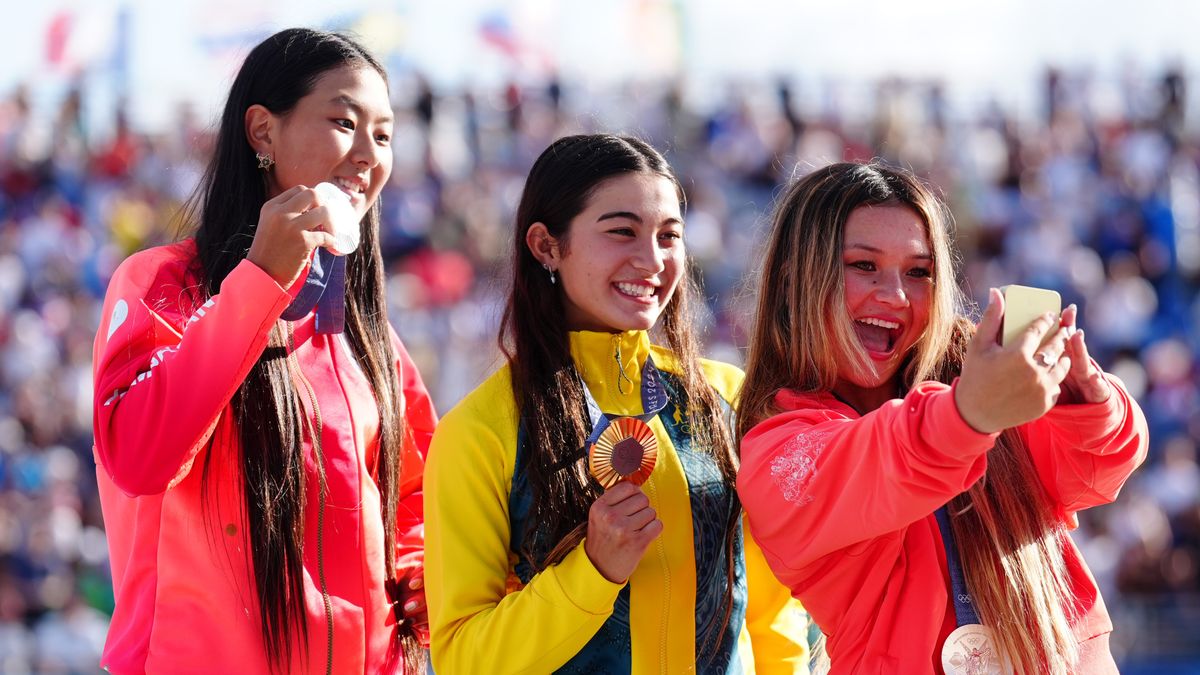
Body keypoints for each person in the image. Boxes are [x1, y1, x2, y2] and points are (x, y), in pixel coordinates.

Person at [91, 28, 436, 674]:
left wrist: (418, 578)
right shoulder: (160, 285)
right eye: (343, 121)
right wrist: (258, 284)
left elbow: (415, 492)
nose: (369, 154)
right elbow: (138, 457)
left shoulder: (367, 332)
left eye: (384, 135)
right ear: (262, 131)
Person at [735, 161, 1148, 674]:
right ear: (796, 275)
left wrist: (1086, 402)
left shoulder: (984, 380)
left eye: (919, 272)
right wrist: (969, 413)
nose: (896, 296)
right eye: (863, 266)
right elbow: (881, 460)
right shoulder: (775, 447)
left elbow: (1098, 469)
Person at [424, 134, 810, 674]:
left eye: (669, 236)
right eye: (622, 232)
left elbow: (771, 615)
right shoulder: (480, 431)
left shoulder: (728, 400)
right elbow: (463, 657)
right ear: (546, 246)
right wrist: (593, 571)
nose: (651, 260)